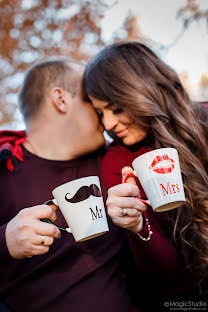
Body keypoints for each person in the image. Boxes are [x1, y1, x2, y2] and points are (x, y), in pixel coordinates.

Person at [82, 41, 208, 310]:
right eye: (99, 113)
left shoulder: (203, 122)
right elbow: (166, 277)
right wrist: (137, 225)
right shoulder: (119, 162)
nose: (108, 125)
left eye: (115, 108)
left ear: (144, 88)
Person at [0, 59, 134, 312]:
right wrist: (4, 241)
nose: (105, 119)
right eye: (91, 102)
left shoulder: (114, 161)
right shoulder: (4, 171)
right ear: (60, 99)